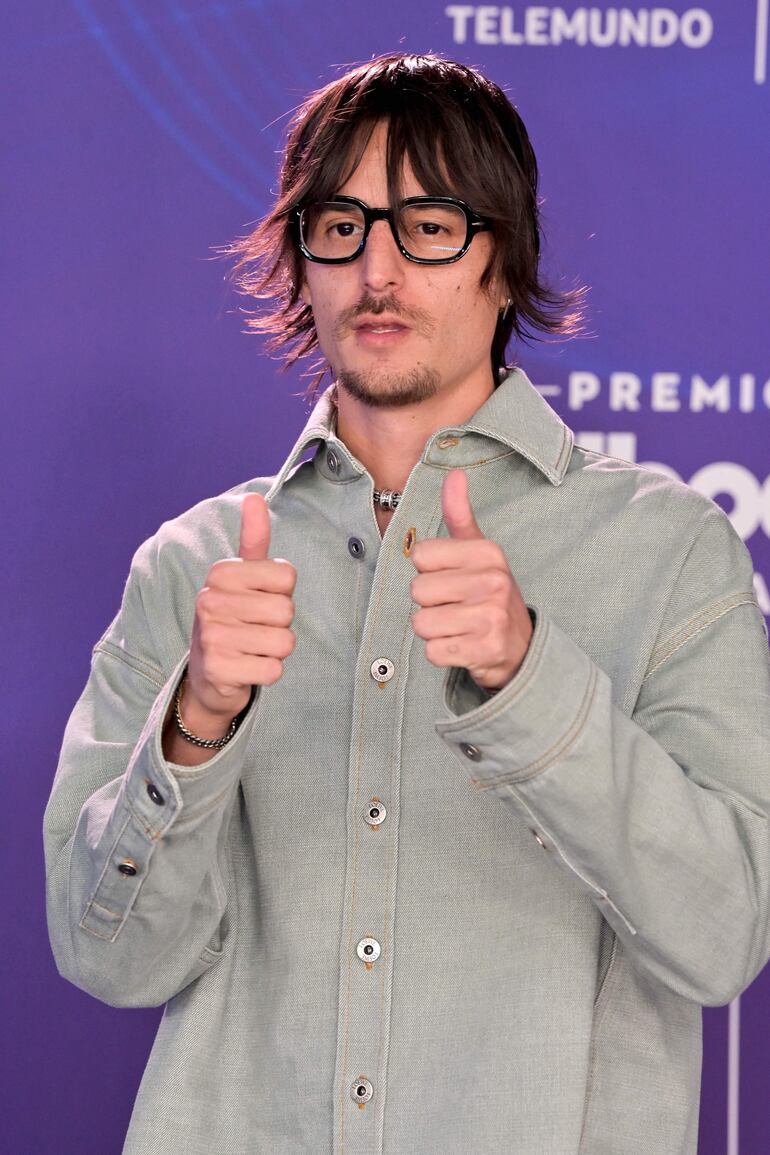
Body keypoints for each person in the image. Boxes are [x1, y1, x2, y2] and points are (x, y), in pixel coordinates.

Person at [44, 52, 770, 1155]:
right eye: (340, 226)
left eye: (427, 225)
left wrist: (530, 681)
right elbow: (107, 959)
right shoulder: (194, 566)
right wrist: (195, 727)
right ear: (303, 258)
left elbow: (722, 937)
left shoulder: (666, 553)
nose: (376, 269)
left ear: (500, 258)